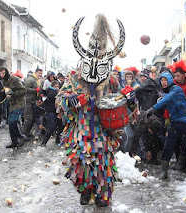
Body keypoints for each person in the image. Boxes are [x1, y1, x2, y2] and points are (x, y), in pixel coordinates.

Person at [58, 14, 126, 207]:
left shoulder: (112, 80)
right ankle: (85, 191)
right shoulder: (73, 79)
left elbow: (121, 101)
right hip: (81, 130)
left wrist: (129, 99)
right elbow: (61, 100)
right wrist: (72, 101)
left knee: (103, 163)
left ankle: (103, 193)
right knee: (81, 162)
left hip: (104, 132)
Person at [147, 71, 186, 180]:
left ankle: (182, 166)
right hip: (175, 122)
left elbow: (168, 99)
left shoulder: (176, 89)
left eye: (165, 80)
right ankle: (164, 172)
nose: (163, 83)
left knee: (184, 146)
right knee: (169, 145)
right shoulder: (166, 93)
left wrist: (154, 108)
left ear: (170, 80)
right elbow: (166, 102)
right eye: (161, 80)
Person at [0, 66, 27, 148]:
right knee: (10, 122)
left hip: (19, 103)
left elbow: (23, 90)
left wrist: (13, 94)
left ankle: (21, 137)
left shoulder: (14, 79)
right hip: (12, 103)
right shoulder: (3, 81)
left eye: (3, 73)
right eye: (0, 73)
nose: (2, 75)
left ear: (6, 72)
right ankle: (14, 141)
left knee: (13, 121)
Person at [23, 68, 43, 139]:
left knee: (32, 118)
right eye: (39, 73)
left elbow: (39, 91)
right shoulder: (30, 79)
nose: (40, 75)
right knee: (28, 118)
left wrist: (39, 97)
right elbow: (25, 89)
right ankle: (24, 133)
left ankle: (27, 132)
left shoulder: (38, 81)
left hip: (33, 101)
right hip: (28, 101)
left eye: (41, 73)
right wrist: (35, 90)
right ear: (36, 73)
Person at [41, 81, 63, 146]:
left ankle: (57, 140)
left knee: (60, 126)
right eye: (55, 86)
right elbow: (53, 97)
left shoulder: (53, 91)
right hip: (50, 111)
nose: (57, 88)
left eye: (57, 86)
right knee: (51, 127)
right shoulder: (51, 92)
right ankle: (44, 142)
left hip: (55, 111)